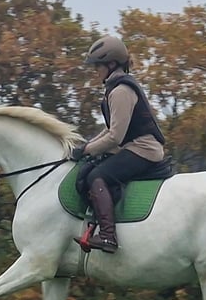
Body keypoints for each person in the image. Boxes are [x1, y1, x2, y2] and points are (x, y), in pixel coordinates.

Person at [71, 35, 166, 253]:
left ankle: (108, 237)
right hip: (134, 146)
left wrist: (86, 150)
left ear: (111, 64)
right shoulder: (116, 88)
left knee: (97, 176)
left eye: (98, 67)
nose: (96, 72)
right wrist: (88, 146)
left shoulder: (121, 91)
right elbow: (110, 130)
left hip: (143, 149)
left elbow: (115, 136)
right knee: (93, 167)